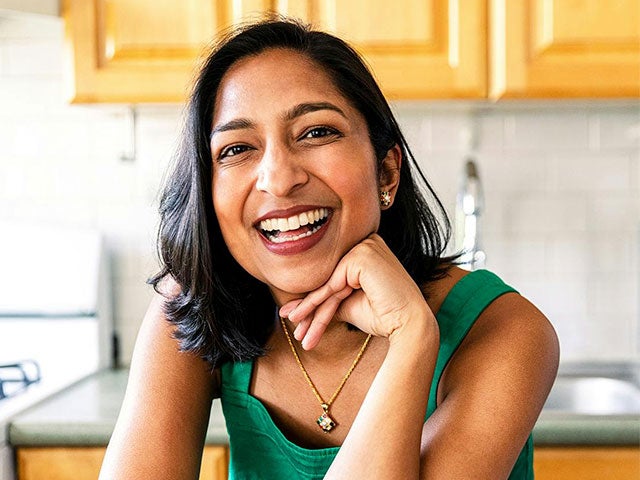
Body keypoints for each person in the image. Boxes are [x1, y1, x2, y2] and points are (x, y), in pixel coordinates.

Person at [99, 17, 559, 480]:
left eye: (317, 132)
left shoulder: (507, 331)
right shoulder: (197, 306)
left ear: (387, 173)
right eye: (237, 149)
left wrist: (412, 336)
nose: (279, 178)